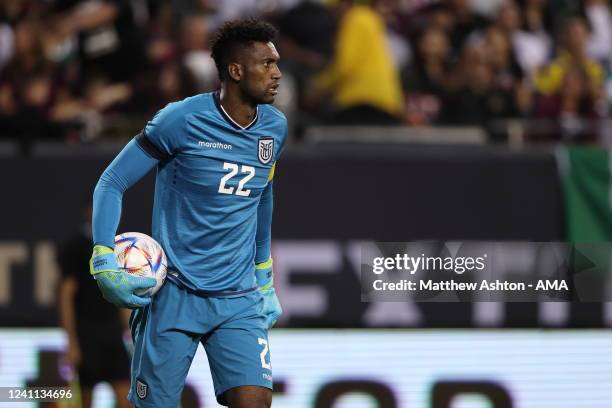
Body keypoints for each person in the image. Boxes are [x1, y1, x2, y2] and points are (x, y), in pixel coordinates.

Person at [88, 18, 285, 408]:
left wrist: (263, 271)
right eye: (266, 64)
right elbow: (111, 182)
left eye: (277, 62)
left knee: (255, 401)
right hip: (174, 293)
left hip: (238, 297)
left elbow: (262, 196)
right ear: (236, 70)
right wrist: (102, 256)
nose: (277, 73)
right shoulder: (181, 120)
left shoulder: (274, 128)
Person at [57, 201, 132, 408]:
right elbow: (66, 294)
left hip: (113, 333)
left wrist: (129, 330)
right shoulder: (75, 247)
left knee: (125, 396)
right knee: (86, 399)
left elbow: (121, 289)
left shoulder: (118, 247)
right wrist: (71, 341)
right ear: (88, 212)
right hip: (86, 333)